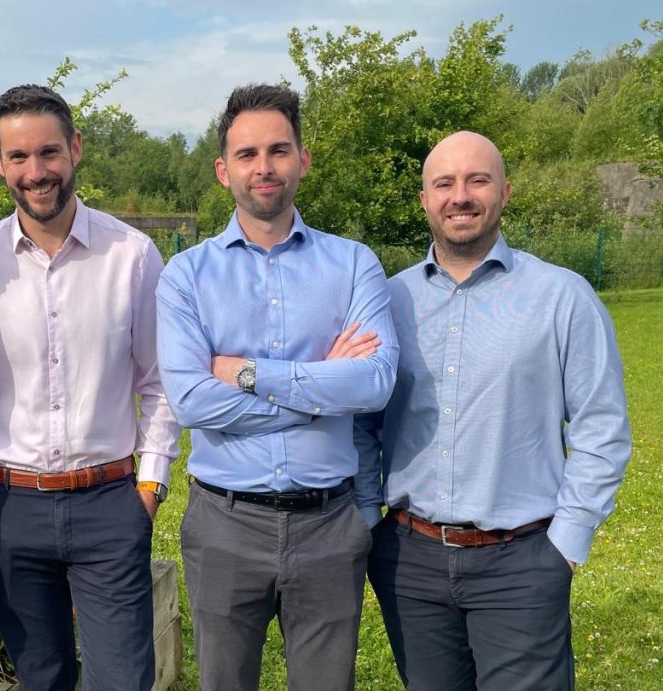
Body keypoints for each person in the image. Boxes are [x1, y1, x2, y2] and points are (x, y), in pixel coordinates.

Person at [355, 130, 632, 691]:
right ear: (425, 200)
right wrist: (367, 517)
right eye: (444, 183)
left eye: (477, 179)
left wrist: (567, 544)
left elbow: (603, 428)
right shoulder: (388, 301)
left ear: (505, 191)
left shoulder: (563, 297)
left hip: (523, 562)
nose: (461, 195)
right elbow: (362, 421)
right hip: (411, 562)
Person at [155, 83, 399, 691]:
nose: (264, 168)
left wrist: (247, 373)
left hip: (329, 525)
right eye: (247, 154)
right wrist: (322, 397)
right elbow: (189, 401)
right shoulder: (185, 275)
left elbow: (374, 382)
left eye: (278, 150)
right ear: (222, 170)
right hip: (223, 523)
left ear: (303, 159)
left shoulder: (353, 265)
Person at [0, 84, 181, 691]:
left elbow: (159, 383)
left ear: (76, 148)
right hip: (9, 508)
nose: (37, 172)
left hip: (110, 502)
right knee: (41, 676)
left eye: (49, 153)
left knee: (123, 679)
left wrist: (150, 487)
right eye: (19, 157)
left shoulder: (131, 256)